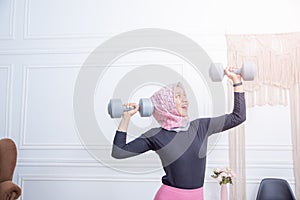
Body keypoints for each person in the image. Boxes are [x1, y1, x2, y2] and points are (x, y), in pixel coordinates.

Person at [111, 67, 246, 200]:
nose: (185, 100)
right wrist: (126, 118)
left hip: (197, 196)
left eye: (185, 96)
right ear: (165, 103)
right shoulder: (156, 135)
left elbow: (238, 117)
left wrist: (236, 81)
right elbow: (119, 152)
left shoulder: (200, 127)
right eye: (178, 96)